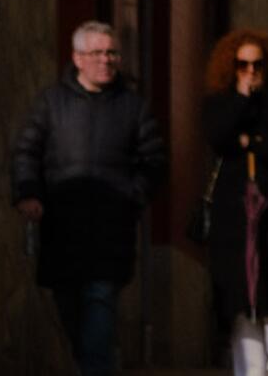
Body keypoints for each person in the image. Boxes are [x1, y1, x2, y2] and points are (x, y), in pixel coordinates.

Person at [12, 20, 168, 376]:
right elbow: (26, 152)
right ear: (77, 58)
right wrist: (29, 193)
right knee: (72, 316)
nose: (106, 60)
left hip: (110, 235)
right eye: (97, 53)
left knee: (99, 310)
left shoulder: (133, 107)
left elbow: (155, 161)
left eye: (111, 52)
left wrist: (133, 196)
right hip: (62, 232)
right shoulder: (51, 104)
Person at [202, 29, 268, 376]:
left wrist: (253, 142)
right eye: (242, 64)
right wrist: (240, 101)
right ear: (232, 66)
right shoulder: (221, 102)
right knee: (240, 300)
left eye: (257, 65)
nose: (250, 71)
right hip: (234, 218)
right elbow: (219, 138)